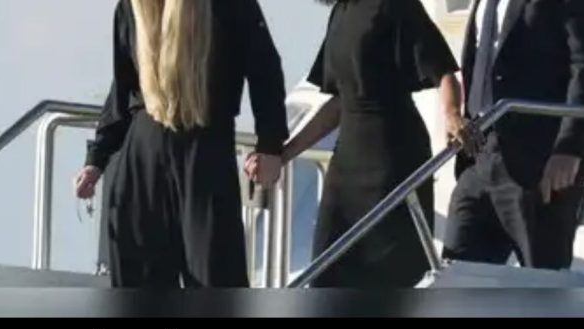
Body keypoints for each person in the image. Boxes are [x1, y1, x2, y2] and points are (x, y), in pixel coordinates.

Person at [246, 0, 464, 288]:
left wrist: (452, 114)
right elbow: (338, 103)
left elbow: (444, 73)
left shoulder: (395, 6)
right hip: (347, 165)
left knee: (392, 279)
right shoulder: (341, 12)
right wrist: (284, 154)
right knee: (326, 271)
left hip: (393, 161)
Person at [73, 0, 289, 288]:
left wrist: (270, 145)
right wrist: (96, 159)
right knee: (138, 286)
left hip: (204, 151)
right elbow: (123, 88)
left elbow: (264, 69)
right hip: (143, 154)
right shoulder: (132, 7)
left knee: (215, 282)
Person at [442, 0, 584, 270]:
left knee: (541, 279)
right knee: (457, 272)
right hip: (480, 153)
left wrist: (569, 147)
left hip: (540, 161)